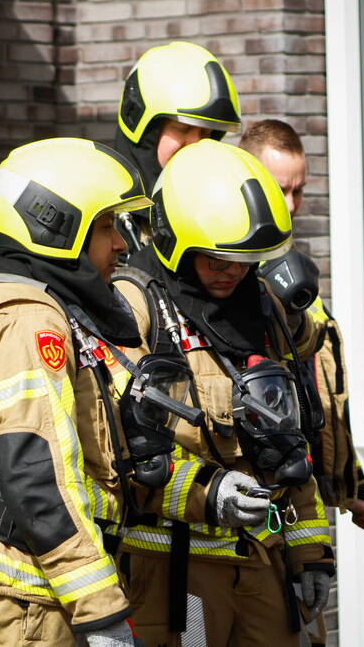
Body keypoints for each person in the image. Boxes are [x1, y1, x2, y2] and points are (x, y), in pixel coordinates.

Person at [0, 138, 153, 647]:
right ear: (59, 226)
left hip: (15, 591)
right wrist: (102, 614)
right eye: (106, 226)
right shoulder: (27, 321)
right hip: (16, 599)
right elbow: (36, 474)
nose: (120, 244)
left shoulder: (2, 299)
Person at [113, 139, 335, 647]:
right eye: (217, 259)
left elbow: (287, 436)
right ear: (175, 241)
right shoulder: (136, 307)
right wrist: (207, 493)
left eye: (243, 260)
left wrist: (309, 551)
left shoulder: (263, 306)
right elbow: (116, 447)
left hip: (262, 564)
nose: (232, 271)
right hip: (176, 574)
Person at [240, 119, 364, 532]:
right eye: (279, 189)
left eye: (298, 191)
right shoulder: (231, 276)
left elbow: (320, 394)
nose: (290, 205)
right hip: (259, 500)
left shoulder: (291, 269)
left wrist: (351, 489)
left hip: (304, 494)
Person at [114, 40, 243, 247]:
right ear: (144, 131)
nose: (196, 144)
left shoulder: (224, 210)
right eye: (182, 130)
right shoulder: (104, 219)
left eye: (207, 134)